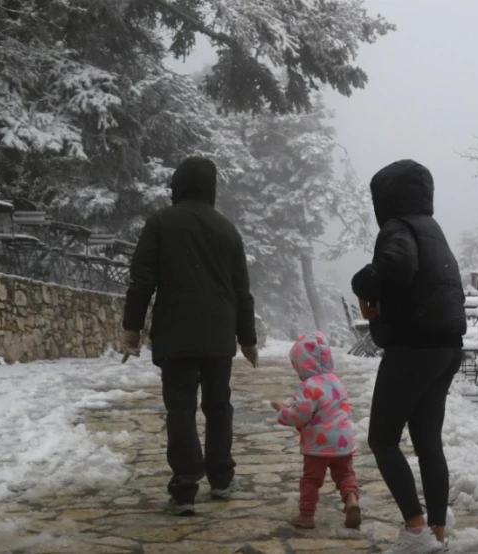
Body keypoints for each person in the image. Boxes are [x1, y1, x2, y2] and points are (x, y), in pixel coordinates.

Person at [120, 156, 259, 516]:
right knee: (218, 406)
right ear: (211, 188)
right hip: (218, 336)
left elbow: (141, 281)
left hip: (176, 334)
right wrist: (247, 338)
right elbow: (242, 291)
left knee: (180, 409)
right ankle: (222, 479)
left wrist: (131, 329)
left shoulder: (161, 223)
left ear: (177, 185)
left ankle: (184, 488)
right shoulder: (227, 230)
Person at [351, 159, 467, 554]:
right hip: (447, 347)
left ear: (385, 198)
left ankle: (415, 531)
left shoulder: (398, 228)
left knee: (382, 439)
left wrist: (363, 283)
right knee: (427, 441)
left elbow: (398, 264)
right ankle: (436, 535)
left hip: (415, 348)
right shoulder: (432, 229)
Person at [270, 331, 361, 530]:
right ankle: (352, 500)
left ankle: (306, 516)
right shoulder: (336, 381)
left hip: (319, 444)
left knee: (311, 479)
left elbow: (300, 415)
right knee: (345, 474)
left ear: (302, 364)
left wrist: (283, 413)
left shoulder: (308, 386)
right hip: (343, 441)